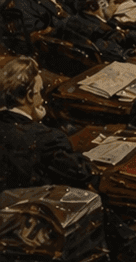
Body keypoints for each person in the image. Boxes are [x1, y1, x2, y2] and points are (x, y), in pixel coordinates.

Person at [0, 57, 94, 192]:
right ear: (29, 96)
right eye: (40, 92)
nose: (42, 99)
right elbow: (83, 173)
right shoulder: (47, 139)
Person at [58, 0, 136, 61]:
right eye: (115, 2)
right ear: (101, 3)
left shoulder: (68, 22)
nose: (118, 6)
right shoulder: (102, 33)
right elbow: (124, 57)